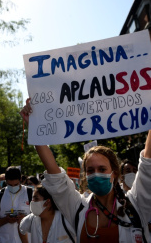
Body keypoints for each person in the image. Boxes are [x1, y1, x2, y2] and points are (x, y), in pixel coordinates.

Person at [20, 98, 151, 243]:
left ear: (114, 173)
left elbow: (147, 163)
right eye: (90, 170)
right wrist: (34, 126)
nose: (96, 174)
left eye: (102, 169)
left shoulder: (136, 203)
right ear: (85, 175)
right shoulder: (78, 208)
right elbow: (53, 172)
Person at [0, 166, 32, 243]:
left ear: (20, 179)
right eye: (10, 185)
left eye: (16, 184)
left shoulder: (30, 193)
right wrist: (6, 220)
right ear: (6, 181)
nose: (13, 187)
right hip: (5, 240)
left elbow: (40, 219)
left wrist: (25, 220)